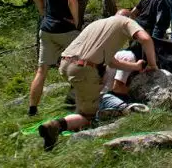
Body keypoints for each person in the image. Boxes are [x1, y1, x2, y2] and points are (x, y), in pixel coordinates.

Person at [37, 10, 157, 150]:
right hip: (83, 69)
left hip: (65, 64)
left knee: (84, 100)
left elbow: (112, 63)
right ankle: (54, 126)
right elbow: (146, 39)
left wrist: (135, 66)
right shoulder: (126, 21)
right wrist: (153, 65)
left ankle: (68, 123)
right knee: (88, 115)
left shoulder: (98, 24)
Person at [28, 0, 85, 116]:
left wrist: (43, 13)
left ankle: (32, 109)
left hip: (46, 31)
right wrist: (76, 21)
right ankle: (74, 102)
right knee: (85, 62)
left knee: (41, 71)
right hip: (65, 30)